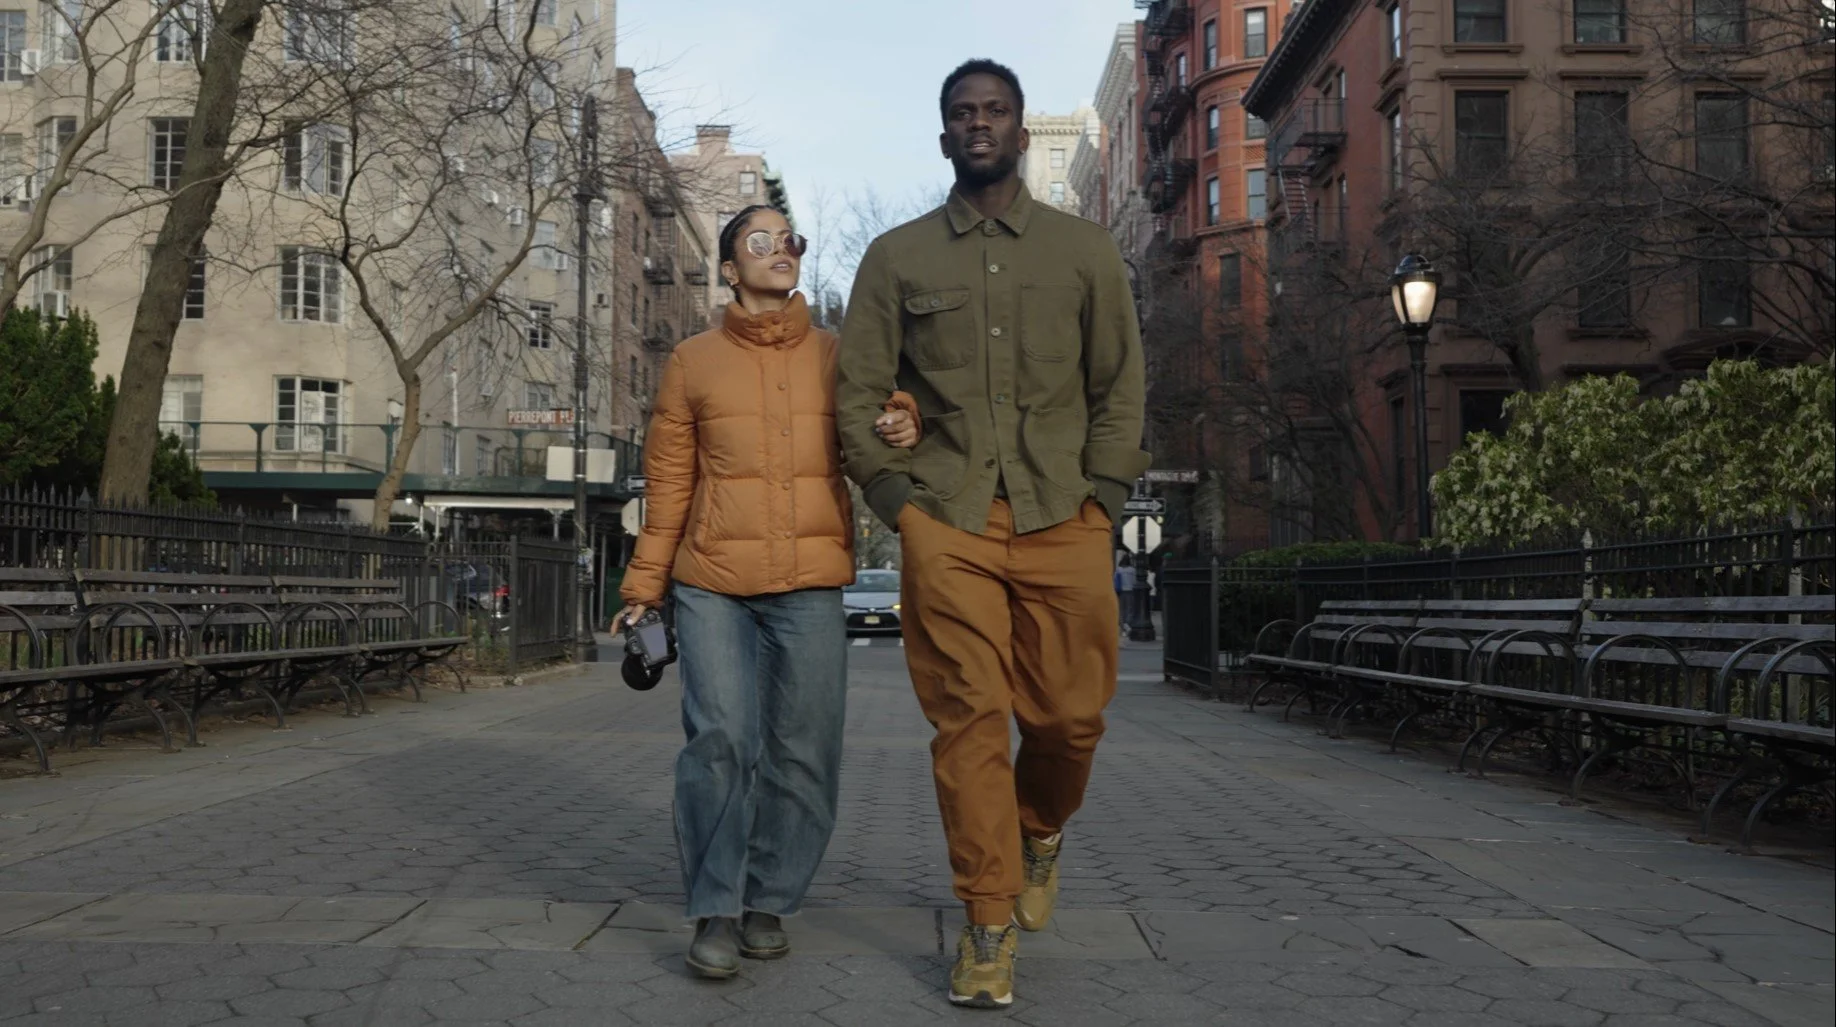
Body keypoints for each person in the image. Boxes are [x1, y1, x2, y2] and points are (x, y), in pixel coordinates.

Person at [835, 59, 1150, 1009]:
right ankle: (986, 924)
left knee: (1069, 716)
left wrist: (1102, 494)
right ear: (944, 139)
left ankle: (1041, 828)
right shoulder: (896, 258)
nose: (980, 124)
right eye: (963, 114)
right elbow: (856, 394)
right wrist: (901, 503)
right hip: (949, 520)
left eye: (997, 112)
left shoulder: (1086, 251)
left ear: (1019, 133)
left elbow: (1120, 384)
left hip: (1065, 516)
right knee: (969, 719)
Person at [616, 204, 921, 981]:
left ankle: (769, 897)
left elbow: (878, 431)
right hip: (712, 581)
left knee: (806, 751)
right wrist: (645, 586)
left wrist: (901, 421)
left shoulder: (837, 353)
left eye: (790, 240)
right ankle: (715, 906)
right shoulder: (691, 360)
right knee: (720, 739)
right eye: (761, 239)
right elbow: (671, 482)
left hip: (812, 584)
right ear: (728, 268)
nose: (780, 249)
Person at [1113, 554, 1136, 632]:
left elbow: (1115, 580)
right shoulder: (1132, 570)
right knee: (1130, 608)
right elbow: (1135, 581)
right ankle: (1128, 623)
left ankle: (1122, 626)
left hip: (1121, 591)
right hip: (1130, 590)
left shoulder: (1119, 570)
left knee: (1122, 609)